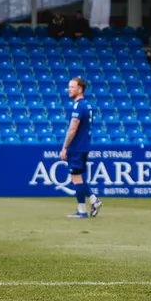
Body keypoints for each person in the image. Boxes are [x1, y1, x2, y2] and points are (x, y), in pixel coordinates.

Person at [59, 77, 101, 219]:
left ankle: (84, 210)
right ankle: (91, 202)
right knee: (77, 176)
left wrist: (64, 147)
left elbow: (72, 128)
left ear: (80, 89)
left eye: (72, 87)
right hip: (83, 146)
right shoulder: (87, 105)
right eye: (69, 87)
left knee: (76, 177)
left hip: (77, 147)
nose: (69, 89)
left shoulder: (79, 106)